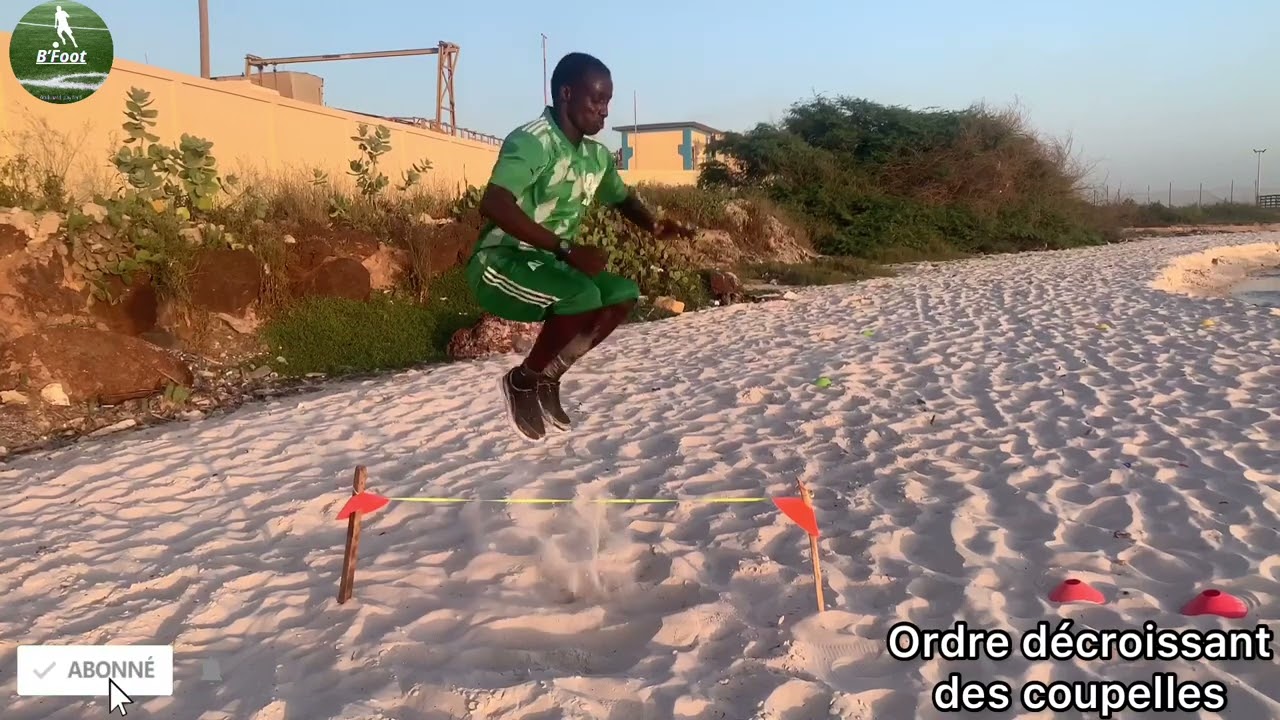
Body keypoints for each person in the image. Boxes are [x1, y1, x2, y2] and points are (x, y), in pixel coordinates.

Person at [466, 51, 695, 442]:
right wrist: (567, 250)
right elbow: (494, 202)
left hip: (552, 263)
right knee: (583, 295)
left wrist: (654, 225)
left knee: (623, 293)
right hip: (502, 262)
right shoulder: (533, 141)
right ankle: (522, 381)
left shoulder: (596, 157)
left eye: (608, 102)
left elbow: (623, 198)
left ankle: (548, 376)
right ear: (566, 94)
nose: (604, 112)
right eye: (597, 100)